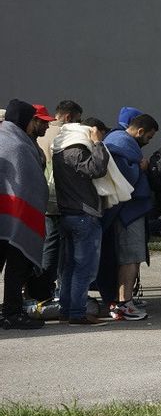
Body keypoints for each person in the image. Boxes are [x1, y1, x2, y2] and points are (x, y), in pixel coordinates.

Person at [51, 118, 111, 325]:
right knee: (84, 268)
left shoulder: (59, 151)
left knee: (69, 267)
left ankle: (67, 310)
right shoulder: (76, 151)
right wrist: (97, 143)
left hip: (68, 214)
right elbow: (97, 169)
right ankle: (77, 312)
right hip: (84, 214)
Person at [1, 99, 53, 330]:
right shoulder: (18, 145)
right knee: (16, 267)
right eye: (34, 119)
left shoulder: (7, 137)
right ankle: (12, 313)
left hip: (7, 215)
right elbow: (29, 184)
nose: (38, 124)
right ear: (26, 120)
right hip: (14, 218)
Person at [103, 112, 158, 320]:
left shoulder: (118, 140)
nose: (148, 142)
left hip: (127, 211)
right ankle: (124, 303)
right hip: (128, 212)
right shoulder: (121, 142)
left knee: (130, 257)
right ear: (140, 131)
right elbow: (123, 176)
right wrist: (141, 167)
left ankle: (124, 300)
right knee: (130, 257)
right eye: (149, 137)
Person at [33, 99, 82, 301]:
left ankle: (42, 288)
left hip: (42, 197)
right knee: (56, 247)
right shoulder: (64, 135)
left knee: (47, 243)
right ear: (69, 117)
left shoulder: (38, 136)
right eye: (77, 120)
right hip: (57, 198)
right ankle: (47, 290)